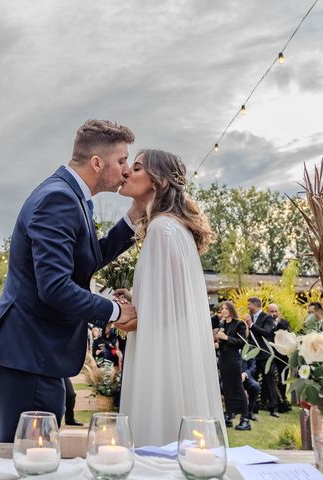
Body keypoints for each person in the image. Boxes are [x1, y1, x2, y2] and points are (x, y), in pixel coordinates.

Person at [0, 119, 141, 442]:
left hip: (32, 354)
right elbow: (54, 287)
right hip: (30, 354)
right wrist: (114, 311)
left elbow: (87, 258)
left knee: (29, 458)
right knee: (27, 461)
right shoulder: (59, 199)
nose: (126, 169)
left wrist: (134, 216)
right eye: (122, 160)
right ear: (97, 162)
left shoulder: (72, 196)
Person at [115, 149, 225, 446]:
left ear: (158, 181)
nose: (127, 172)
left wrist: (132, 317)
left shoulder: (163, 229)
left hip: (162, 357)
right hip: (166, 348)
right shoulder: (167, 227)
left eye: (136, 168)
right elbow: (172, 295)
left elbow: (173, 308)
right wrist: (137, 297)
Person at [214, 301, 251, 431]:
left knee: (237, 388)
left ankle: (245, 419)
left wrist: (225, 338)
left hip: (233, 360)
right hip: (223, 359)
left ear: (231, 310)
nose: (223, 310)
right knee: (227, 388)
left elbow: (242, 342)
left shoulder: (239, 324)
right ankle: (229, 415)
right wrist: (218, 344)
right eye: (222, 309)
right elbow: (224, 343)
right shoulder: (222, 324)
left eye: (225, 308)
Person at [246, 297, 280, 417]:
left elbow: (266, 332)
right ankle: (252, 408)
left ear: (255, 305)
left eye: (249, 304)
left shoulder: (267, 318)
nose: (248, 307)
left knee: (269, 381)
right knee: (252, 381)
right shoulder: (249, 317)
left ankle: (273, 408)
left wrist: (251, 324)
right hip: (252, 354)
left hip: (265, 354)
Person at [269, 303, 292, 413]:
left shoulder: (284, 322)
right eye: (271, 311)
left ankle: (283, 400)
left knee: (283, 379)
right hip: (271, 355)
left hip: (283, 355)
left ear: (278, 311)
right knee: (274, 379)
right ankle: (275, 401)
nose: (273, 313)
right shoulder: (267, 323)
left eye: (275, 311)